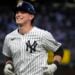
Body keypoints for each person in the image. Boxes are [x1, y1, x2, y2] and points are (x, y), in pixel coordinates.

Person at [2, 1, 63, 75]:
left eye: (22, 12)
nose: (18, 14)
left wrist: (54, 65)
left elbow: (59, 50)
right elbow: (8, 57)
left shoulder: (42, 35)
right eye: (17, 12)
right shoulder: (9, 37)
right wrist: (8, 64)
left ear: (31, 16)